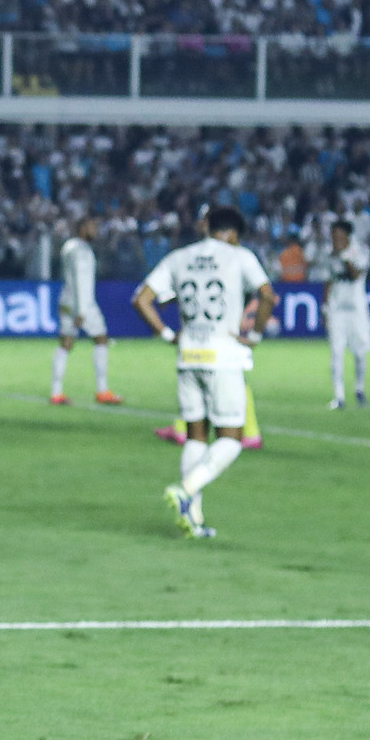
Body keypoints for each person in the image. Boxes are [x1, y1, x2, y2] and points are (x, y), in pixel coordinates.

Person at [132, 203, 274, 540]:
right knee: (231, 439)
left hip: (188, 355)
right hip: (222, 356)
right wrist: (254, 336)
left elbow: (142, 299)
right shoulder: (240, 256)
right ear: (233, 234)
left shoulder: (180, 257)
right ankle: (186, 489)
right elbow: (268, 296)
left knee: (196, 435)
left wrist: (167, 335)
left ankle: (193, 518)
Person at [49, 215, 121, 407]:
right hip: (83, 304)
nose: (95, 231)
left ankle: (56, 392)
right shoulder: (81, 251)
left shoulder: (68, 247)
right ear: (82, 229)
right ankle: (103, 390)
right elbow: (82, 280)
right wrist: (82, 311)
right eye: (92, 227)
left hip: (66, 300)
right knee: (101, 338)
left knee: (66, 343)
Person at [324, 217, 370, 409]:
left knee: (360, 352)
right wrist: (325, 307)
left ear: (347, 235)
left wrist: (344, 256)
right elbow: (328, 281)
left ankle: (359, 389)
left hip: (356, 309)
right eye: (333, 235)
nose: (335, 239)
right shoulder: (330, 254)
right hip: (337, 309)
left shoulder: (360, 251)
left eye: (338, 235)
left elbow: (356, 275)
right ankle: (339, 396)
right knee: (336, 352)